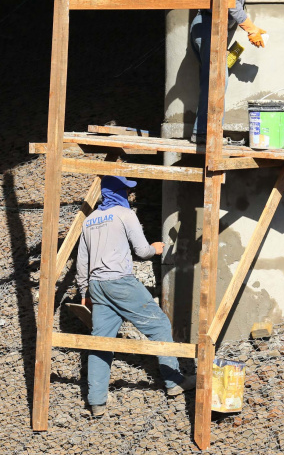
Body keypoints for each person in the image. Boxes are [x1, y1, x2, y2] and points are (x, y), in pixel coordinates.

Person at [76, 175, 196, 417]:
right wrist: (156, 249)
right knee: (160, 325)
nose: (129, 195)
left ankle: (96, 401)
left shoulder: (89, 221)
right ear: (119, 192)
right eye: (126, 191)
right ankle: (174, 382)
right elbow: (141, 251)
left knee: (101, 341)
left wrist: (83, 292)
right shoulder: (125, 214)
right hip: (120, 282)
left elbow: (82, 262)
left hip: (97, 286)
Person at [190, 0, 272, 143]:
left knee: (213, 81)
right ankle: (209, 135)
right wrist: (250, 27)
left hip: (209, 27)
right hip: (209, 27)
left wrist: (249, 29)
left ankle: (202, 133)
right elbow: (231, 2)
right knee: (217, 81)